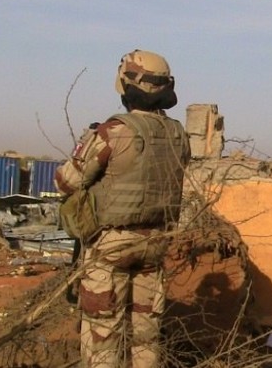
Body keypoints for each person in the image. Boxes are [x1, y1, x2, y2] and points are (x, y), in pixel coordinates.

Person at [55, 49, 191, 367]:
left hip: (111, 245)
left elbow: (66, 182)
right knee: (146, 339)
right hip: (156, 242)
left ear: (125, 86)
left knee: (103, 339)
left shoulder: (112, 131)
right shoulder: (178, 135)